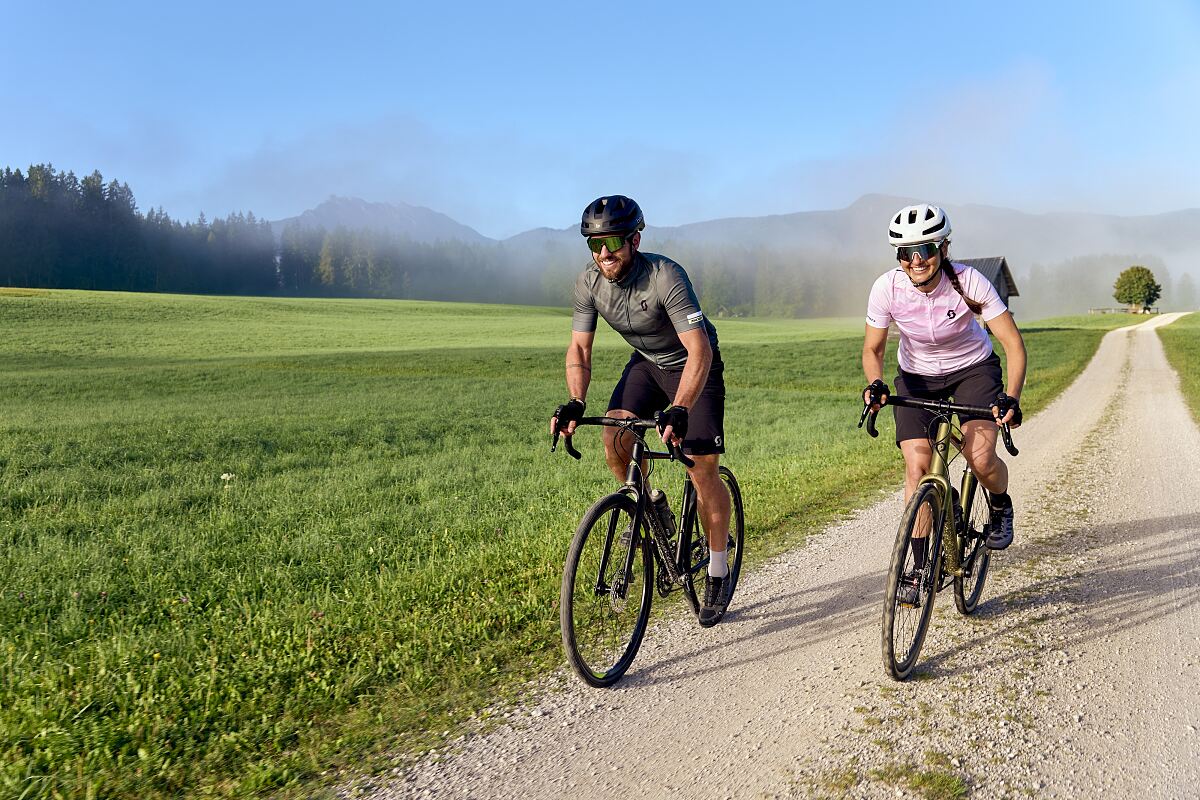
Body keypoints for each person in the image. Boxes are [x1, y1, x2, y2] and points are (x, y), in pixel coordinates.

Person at [550, 195, 732, 626]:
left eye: (611, 241)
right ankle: (651, 502)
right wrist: (577, 401)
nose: (603, 253)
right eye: (593, 245)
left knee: (700, 468)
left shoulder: (665, 276)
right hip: (647, 366)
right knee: (614, 434)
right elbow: (579, 347)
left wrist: (681, 408)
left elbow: (699, 348)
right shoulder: (589, 283)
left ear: (634, 238)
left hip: (694, 366)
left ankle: (718, 569)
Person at [861, 204, 1026, 602]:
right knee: (917, 467)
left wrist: (1012, 398)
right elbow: (872, 348)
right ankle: (918, 568)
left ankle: (1000, 505)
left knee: (981, 458)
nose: (916, 261)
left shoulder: (970, 282)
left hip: (973, 371)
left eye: (926, 249)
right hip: (916, 377)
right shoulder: (887, 287)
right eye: (906, 253)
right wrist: (876, 382)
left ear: (944, 248)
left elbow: (1014, 346)